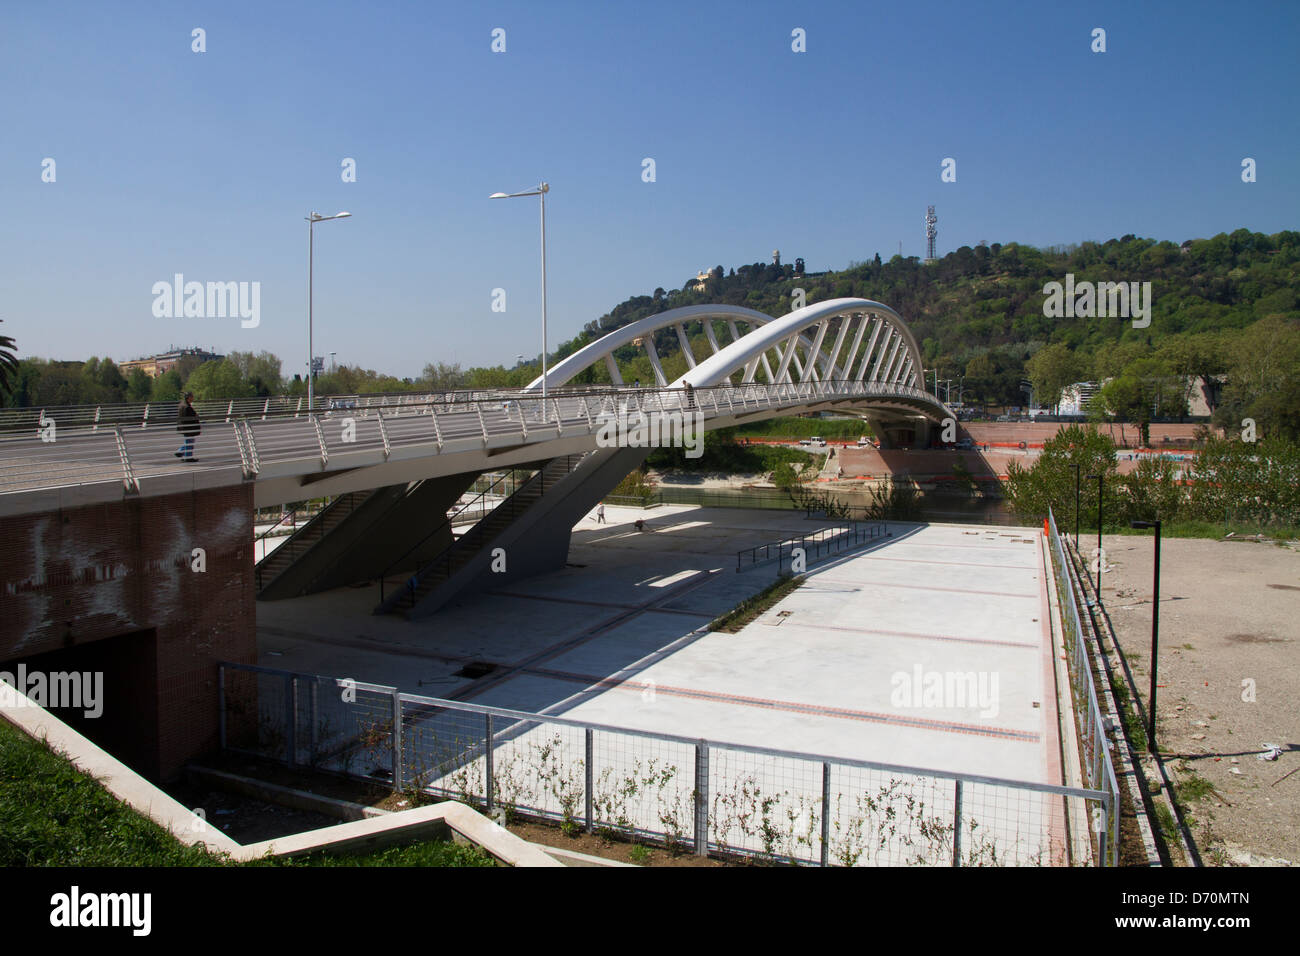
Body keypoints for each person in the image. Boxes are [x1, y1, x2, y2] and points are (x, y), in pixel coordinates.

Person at [175, 392, 201, 462]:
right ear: (189, 398)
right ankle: (188, 457)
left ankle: (181, 451)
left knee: (189, 441)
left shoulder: (182, 405)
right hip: (189, 427)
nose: (193, 398)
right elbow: (193, 416)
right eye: (192, 397)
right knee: (190, 442)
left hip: (183, 427)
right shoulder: (187, 407)